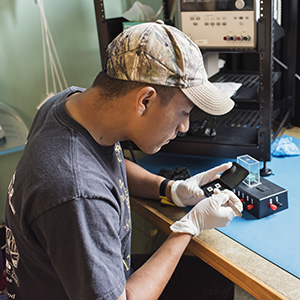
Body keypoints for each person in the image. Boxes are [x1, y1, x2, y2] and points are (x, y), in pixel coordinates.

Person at [5, 20, 242, 300]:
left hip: (75, 279)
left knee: (213, 280)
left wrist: (169, 189)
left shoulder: (67, 105)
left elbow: (104, 164)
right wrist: (187, 228)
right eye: (184, 112)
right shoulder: (77, 195)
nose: (185, 127)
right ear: (145, 101)